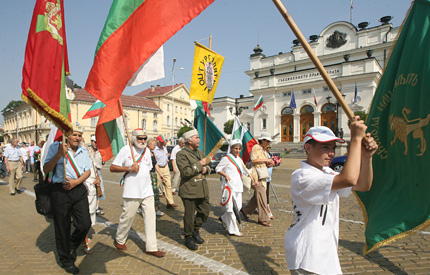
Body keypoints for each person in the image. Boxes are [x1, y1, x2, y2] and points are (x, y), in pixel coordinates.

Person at [284, 118, 378, 275]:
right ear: (308, 147)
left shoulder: (328, 172)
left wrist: (367, 157)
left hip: (325, 253)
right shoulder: (302, 176)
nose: (332, 153)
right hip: (307, 254)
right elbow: (349, 179)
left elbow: (363, 185)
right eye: (325, 147)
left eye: (333, 147)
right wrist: (355, 139)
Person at [43, 124, 92, 274]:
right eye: (74, 135)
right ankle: (66, 259)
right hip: (60, 191)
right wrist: (59, 154)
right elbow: (46, 169)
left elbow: (88, 171)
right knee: (62, 227)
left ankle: (71, 244)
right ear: (67, 136)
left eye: (79, 135)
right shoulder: (55, 147)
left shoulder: (84, 150)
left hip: (77, 189)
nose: (77, 138)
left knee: (85, 223)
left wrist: (76, 182)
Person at [110, 129, 165, 258]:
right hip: (132, 192)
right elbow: (113, 167)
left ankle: (152, 247)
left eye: (144, 138)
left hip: (147, 191)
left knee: (151, 219)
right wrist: (129, 168)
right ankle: (120, 238)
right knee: (127, 218)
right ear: (133, 138)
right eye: (140, 138)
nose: (142, 141)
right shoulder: (125, 150)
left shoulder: (147, 151)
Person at [176, 129, 211, 250]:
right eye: (197, 137)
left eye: (199, 137)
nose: (199, 140)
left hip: (202, 188)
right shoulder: (181, 154)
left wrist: (207, 169)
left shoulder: (199, 152)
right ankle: (188, 236)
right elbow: (185, 172)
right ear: (189, 140)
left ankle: (196, 230)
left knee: (205, 211)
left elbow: (206, 167)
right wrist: (200, 165)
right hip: (189, 189)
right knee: (189, 215)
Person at [216, 139, 257, 237]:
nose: (237, 150)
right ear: (231, 148)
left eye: (239, 149)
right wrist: (225, 175)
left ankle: (224, 218)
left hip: (238, 186)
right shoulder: (226, 158)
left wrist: (252, 176)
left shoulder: (239, 159)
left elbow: (244, 170)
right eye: (235, 148)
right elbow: (218, 168)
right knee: (231, 209)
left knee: (237, 208)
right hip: (229, 186)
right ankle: (233, 230)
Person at [241, 132, 274, 227]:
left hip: (262, 176)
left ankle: (245, 210)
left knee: (257, 197)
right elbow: (254, 160)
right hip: (257, 176)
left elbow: (261, 163)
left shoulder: (263, 150)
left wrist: (269, 164)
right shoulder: (256, 147)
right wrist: (267, 160)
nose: (268, 143)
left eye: (269, 141)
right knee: (263, 197)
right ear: (262, 140)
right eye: (267, 141)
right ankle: (263, 219)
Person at [153, 135, 177, 209]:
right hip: (158, 168)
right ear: (158, 142)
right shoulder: (154, 149)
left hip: (165, 167)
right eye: (161, 142)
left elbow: (165, 155)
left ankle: (170, 202)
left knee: (168, 185)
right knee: (156, 187)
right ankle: (155, 205)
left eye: (164, 142)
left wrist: (166, 159)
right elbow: (154, 161)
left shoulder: (164, 147)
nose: (163, 143)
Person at [146, 137, 165, 217]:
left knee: (155, 191)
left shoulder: (153, 153)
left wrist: (160, 174)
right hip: (146, 175)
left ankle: (156, 209)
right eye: (153, 145)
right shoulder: (144, 153)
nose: (155, 146)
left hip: (153, 175)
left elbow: (156, 164)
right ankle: (142, 208)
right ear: (149, 144)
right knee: (146, 193)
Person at [88, 135, 105, 216]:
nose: (96, 144)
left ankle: (96, 207)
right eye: (94, 142)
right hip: (89, 172)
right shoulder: (87, 150)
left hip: (98, 171)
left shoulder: (100, 151)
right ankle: (89, 206)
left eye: (97, 142)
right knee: (90, 189)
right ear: (91, 142)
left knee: (99, 189)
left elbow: (103, 162)